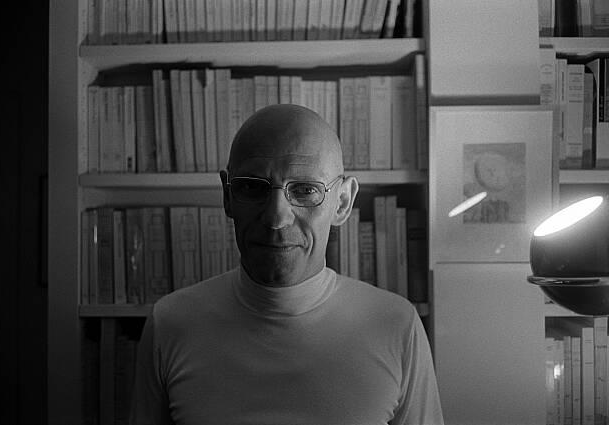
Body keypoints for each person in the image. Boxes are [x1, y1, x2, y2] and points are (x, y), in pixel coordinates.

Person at [130, 104, 444, 425]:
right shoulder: (170, 324)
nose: (276, 217)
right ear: (227, 196)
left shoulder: (396, 326)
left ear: (342, 202)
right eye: (252, 187)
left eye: (305, 190)